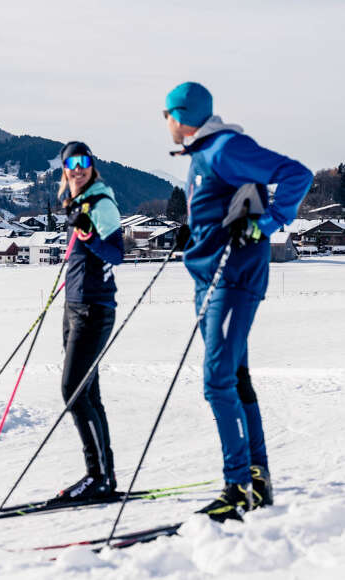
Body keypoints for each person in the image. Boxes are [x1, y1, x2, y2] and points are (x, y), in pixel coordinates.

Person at [163, 82, 313, 521]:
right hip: (209, 278)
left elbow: (296, 174)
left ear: (183, 113)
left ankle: (237, 487)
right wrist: (197, 231)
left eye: (166, 114)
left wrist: (266, 224)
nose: (165, 123)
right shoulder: (204, 154)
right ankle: (257, 476)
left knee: (217, 380)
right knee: (236, 375)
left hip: (232, 278)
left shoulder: (226, 148)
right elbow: (219, 207)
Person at [56, 141, 124, 501]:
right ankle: (103, 476)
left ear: (92, 165)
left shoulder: (101, 203)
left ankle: (97, 475)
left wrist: (87, 234)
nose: (78, 168)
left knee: (74, 391)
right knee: (88, 393)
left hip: (94, 309)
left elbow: (117, 253)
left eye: (84, 162)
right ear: (64, 169)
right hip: (74, 306)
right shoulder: (77, 202)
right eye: (71, 163)